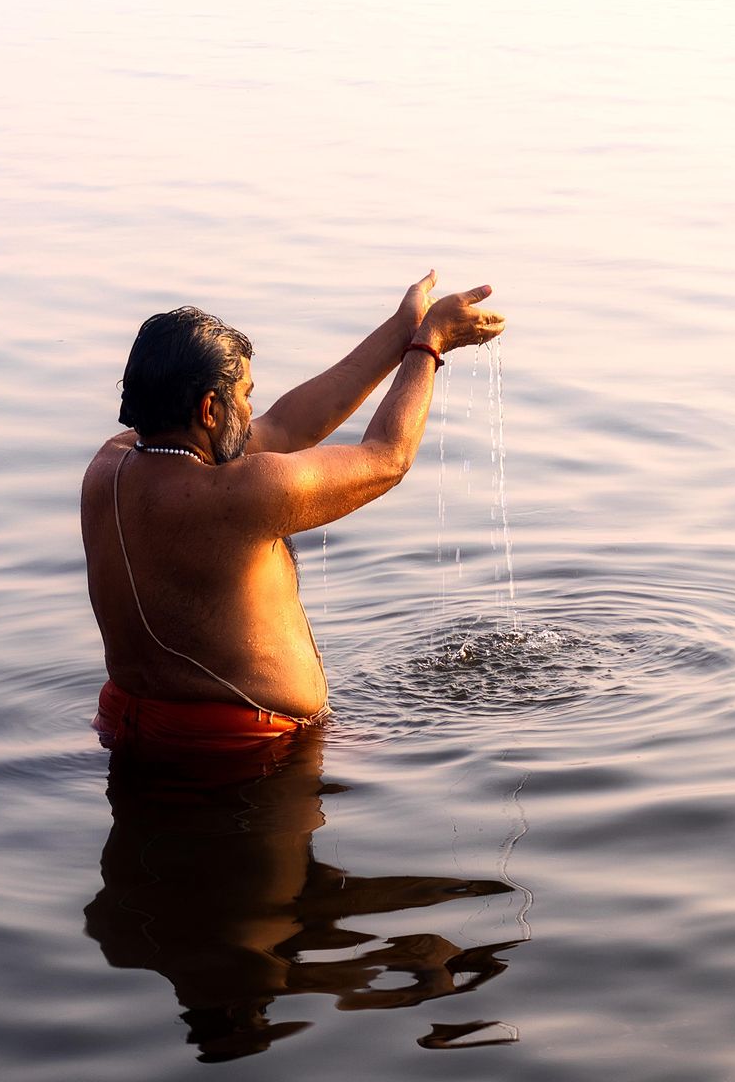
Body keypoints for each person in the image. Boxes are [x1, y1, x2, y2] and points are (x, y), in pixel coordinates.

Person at [81, 272, 505, 759]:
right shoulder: (238, 493)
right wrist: (430, 345)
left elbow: (285, 425)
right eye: (244, 393)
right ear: (209, 410)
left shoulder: (109, 465)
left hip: (129, 726)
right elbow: (388, 457)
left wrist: (401, 330)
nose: (252, 406)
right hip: (244, 751)